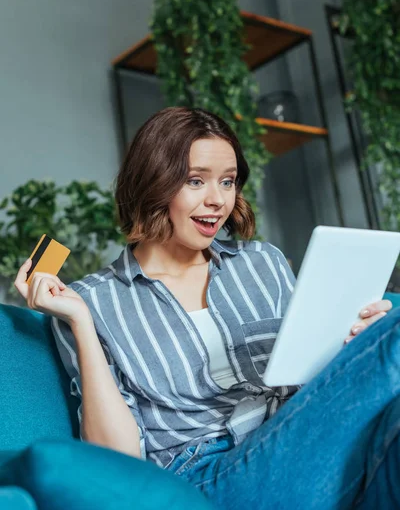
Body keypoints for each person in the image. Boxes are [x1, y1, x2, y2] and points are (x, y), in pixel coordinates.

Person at [14, 106, 400, 509]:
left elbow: (305, 379)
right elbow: (119, 460)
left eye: (228, 181)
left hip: (295, 443)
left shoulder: (262, 261)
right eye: (196, 181)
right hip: (206, 477)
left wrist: (352, 346)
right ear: (154, 183)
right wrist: (80, 322)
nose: (218, 200)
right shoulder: (92, 301)